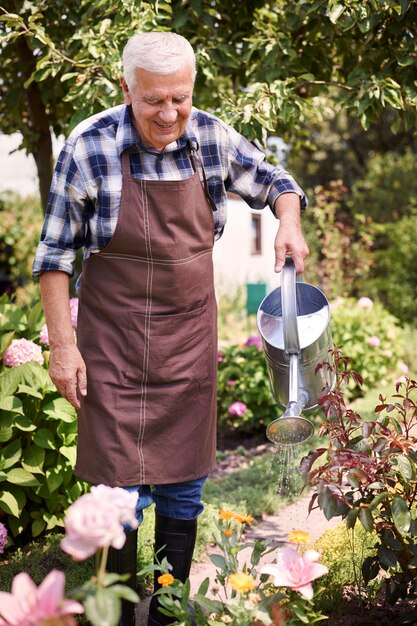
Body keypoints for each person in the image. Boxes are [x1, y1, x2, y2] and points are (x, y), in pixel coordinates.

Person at [32, 31, 309, 626]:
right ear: (125, 87)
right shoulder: (88, 146)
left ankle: (168, 614)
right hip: (112, 344)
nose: (169, 114)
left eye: (179, 98)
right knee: (117, 494)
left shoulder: (209, 135)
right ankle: (118, 615)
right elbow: (54, 257)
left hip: (186, 342)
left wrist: (289, 223)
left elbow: (279, 184)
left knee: (183, 487)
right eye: (154, 100)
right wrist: (63, 347)